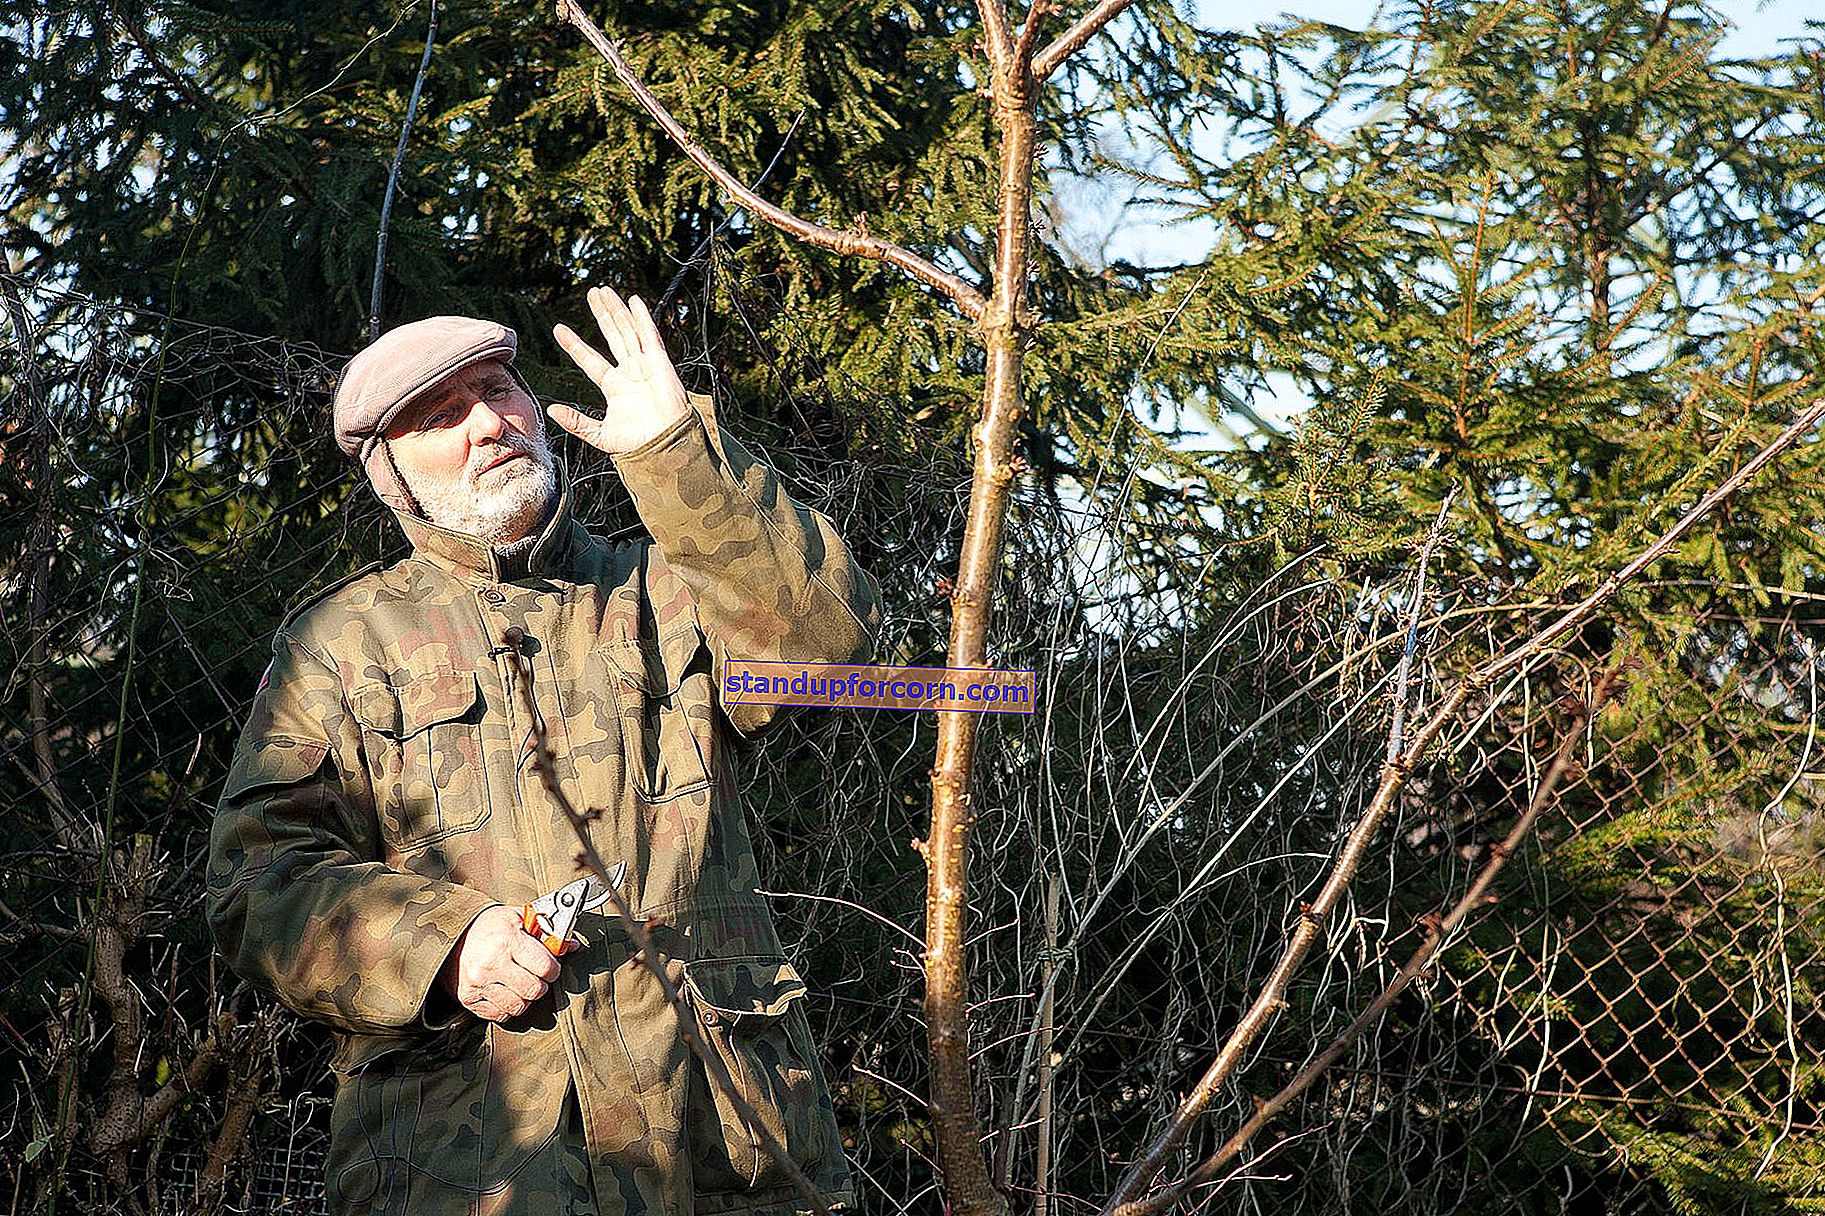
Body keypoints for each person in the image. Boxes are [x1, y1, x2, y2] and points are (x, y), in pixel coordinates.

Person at [206, 286, 881, 1216]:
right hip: (479, 1164)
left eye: (499, 391)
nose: (488, 422)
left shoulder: (669, 590)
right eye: (441, 415)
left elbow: (826, 650)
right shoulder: (342, 641)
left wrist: (676, 458)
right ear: (392, 473)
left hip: (727, 1147)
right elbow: (258, 886)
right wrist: (441, 944)